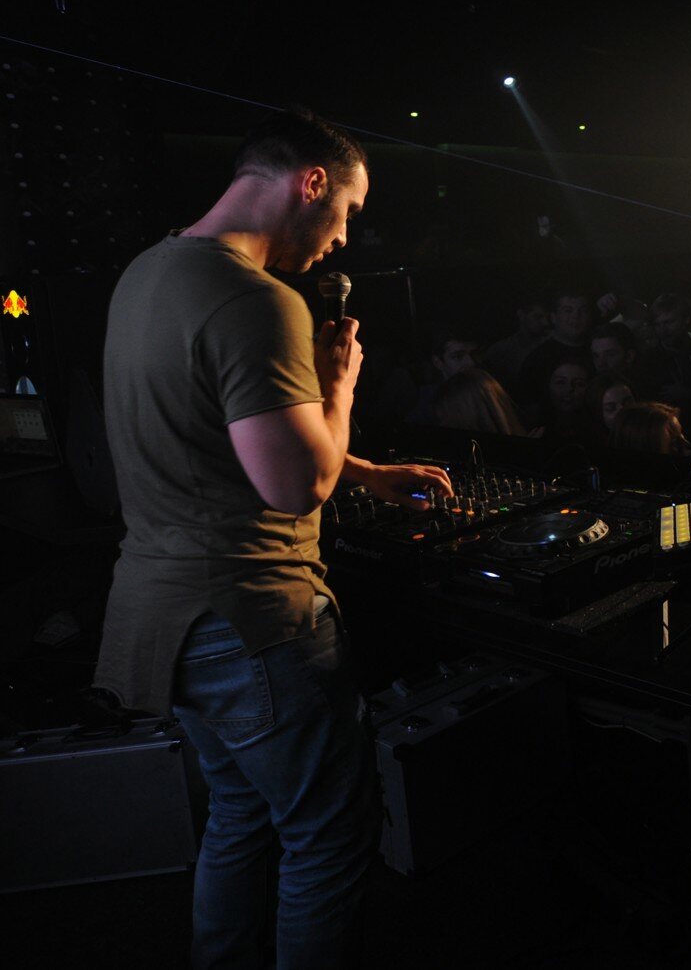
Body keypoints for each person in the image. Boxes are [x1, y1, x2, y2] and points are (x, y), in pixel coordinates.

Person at [93, 108, 454, 970]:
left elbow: (222, 433)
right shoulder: (256, 299)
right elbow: (297, 485)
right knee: (327, 837)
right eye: (348, 211)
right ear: (312, 182)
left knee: (239, 814)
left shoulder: (148, 271)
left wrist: (365, 469)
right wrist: (340, 386)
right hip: (251, 619)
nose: (343, 237)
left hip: (164, 616)